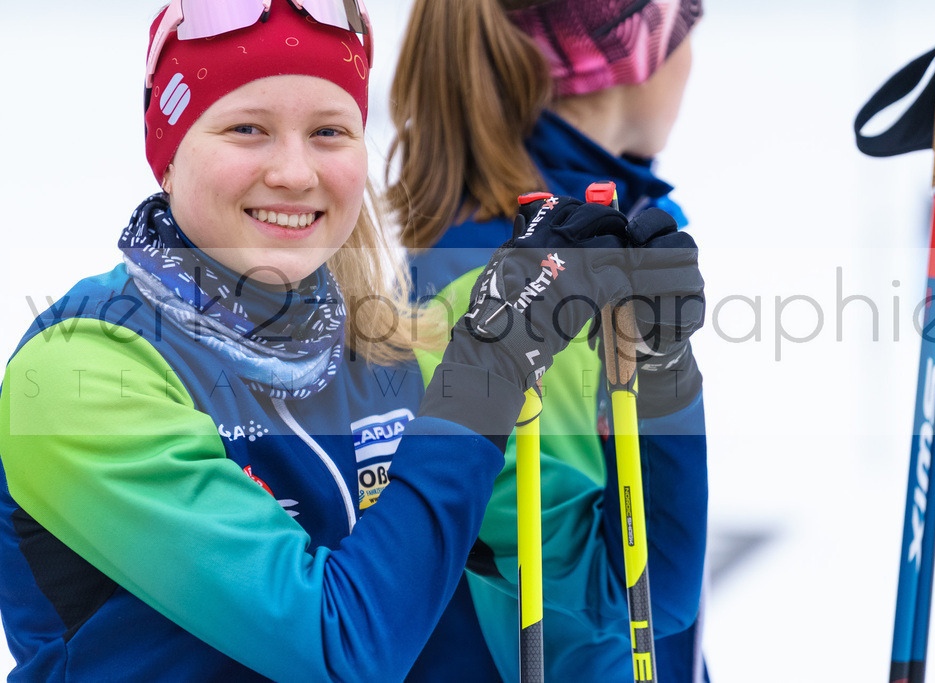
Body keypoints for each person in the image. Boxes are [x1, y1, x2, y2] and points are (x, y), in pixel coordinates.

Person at [0, 1, 699, 680]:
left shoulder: (402, 356)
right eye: (247, 128)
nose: (295, 172)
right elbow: (341, 650)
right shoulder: (80, 375)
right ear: (169, 153)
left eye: (329, 132)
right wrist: (485, 375)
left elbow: (635, 597)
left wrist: (662, 363)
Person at [386, 0, 711, 680]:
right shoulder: (536, 281)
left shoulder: (528, 243)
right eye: (686, 31)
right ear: (627, 55)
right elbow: (600, 606)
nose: (692, 61)